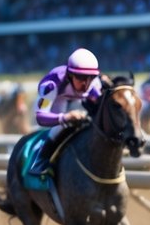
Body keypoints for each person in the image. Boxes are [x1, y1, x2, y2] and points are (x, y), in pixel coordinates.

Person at [27, 48, 103, 177]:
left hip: (76, 99)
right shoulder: (51, 84)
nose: (86, 83)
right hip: (57, 99)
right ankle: (40, 162)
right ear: (70, 75)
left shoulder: (94, 85)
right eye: (80, 77)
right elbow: (41, 117)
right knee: (59, 127)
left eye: (91, 77)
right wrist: (65, 117)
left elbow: (100, 109)